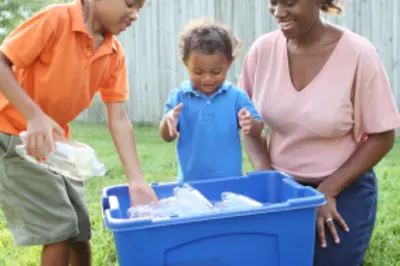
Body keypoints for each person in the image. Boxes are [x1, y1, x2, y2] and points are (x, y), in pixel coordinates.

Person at [238, 0, 400, 265]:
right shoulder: (262, 51)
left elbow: (383, 136)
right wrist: (268, 178)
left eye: (289, 2)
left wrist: (328, 191)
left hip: (342, 183)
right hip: (281, 182)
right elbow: (247, 125)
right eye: (273, 2)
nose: (278, 12)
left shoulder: (359, 53)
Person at [0, 0, 158, 265]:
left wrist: (137, 182)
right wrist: (34, 115)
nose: (134, 15)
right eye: (130, 4)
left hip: (54, 142)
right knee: (60, 228)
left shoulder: (113, 53)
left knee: (80, 230)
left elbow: (118, 119)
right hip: (13, 135)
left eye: (139, 9)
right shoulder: (56, 19)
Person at [159, 19, 265, 182]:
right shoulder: (180, 96)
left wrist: (252, 124)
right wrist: (168, 124)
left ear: (228, 64)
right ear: (186, 64)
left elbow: (258, 130)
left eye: (215, 72)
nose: (207, 79)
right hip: (191, 186)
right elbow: (166, 136)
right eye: (198, 72)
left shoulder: (237, 97)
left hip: (230, 184)